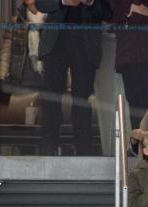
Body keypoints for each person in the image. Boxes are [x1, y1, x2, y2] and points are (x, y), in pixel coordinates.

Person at [36, 0, 113, 156]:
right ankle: (48, 147)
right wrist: (62, 1)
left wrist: (91, 2)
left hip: (86, 43)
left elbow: (108, 12)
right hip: (56, 41)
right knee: (51, 96)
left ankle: (83, 148)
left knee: (82, 99)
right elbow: (41, 4)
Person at [110, 0, 148, 130]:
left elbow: (140, 11)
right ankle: (145, 143)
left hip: (135, 49)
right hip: (134, 49)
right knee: (137, 99)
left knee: (139, 99)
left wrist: (129, 10)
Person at [0, 0, 47, 101]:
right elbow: (6, 53)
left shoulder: (52, 20)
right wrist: (1, 77)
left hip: (47, 83)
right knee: (18, 114)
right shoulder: (16, 21)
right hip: (21, 82)